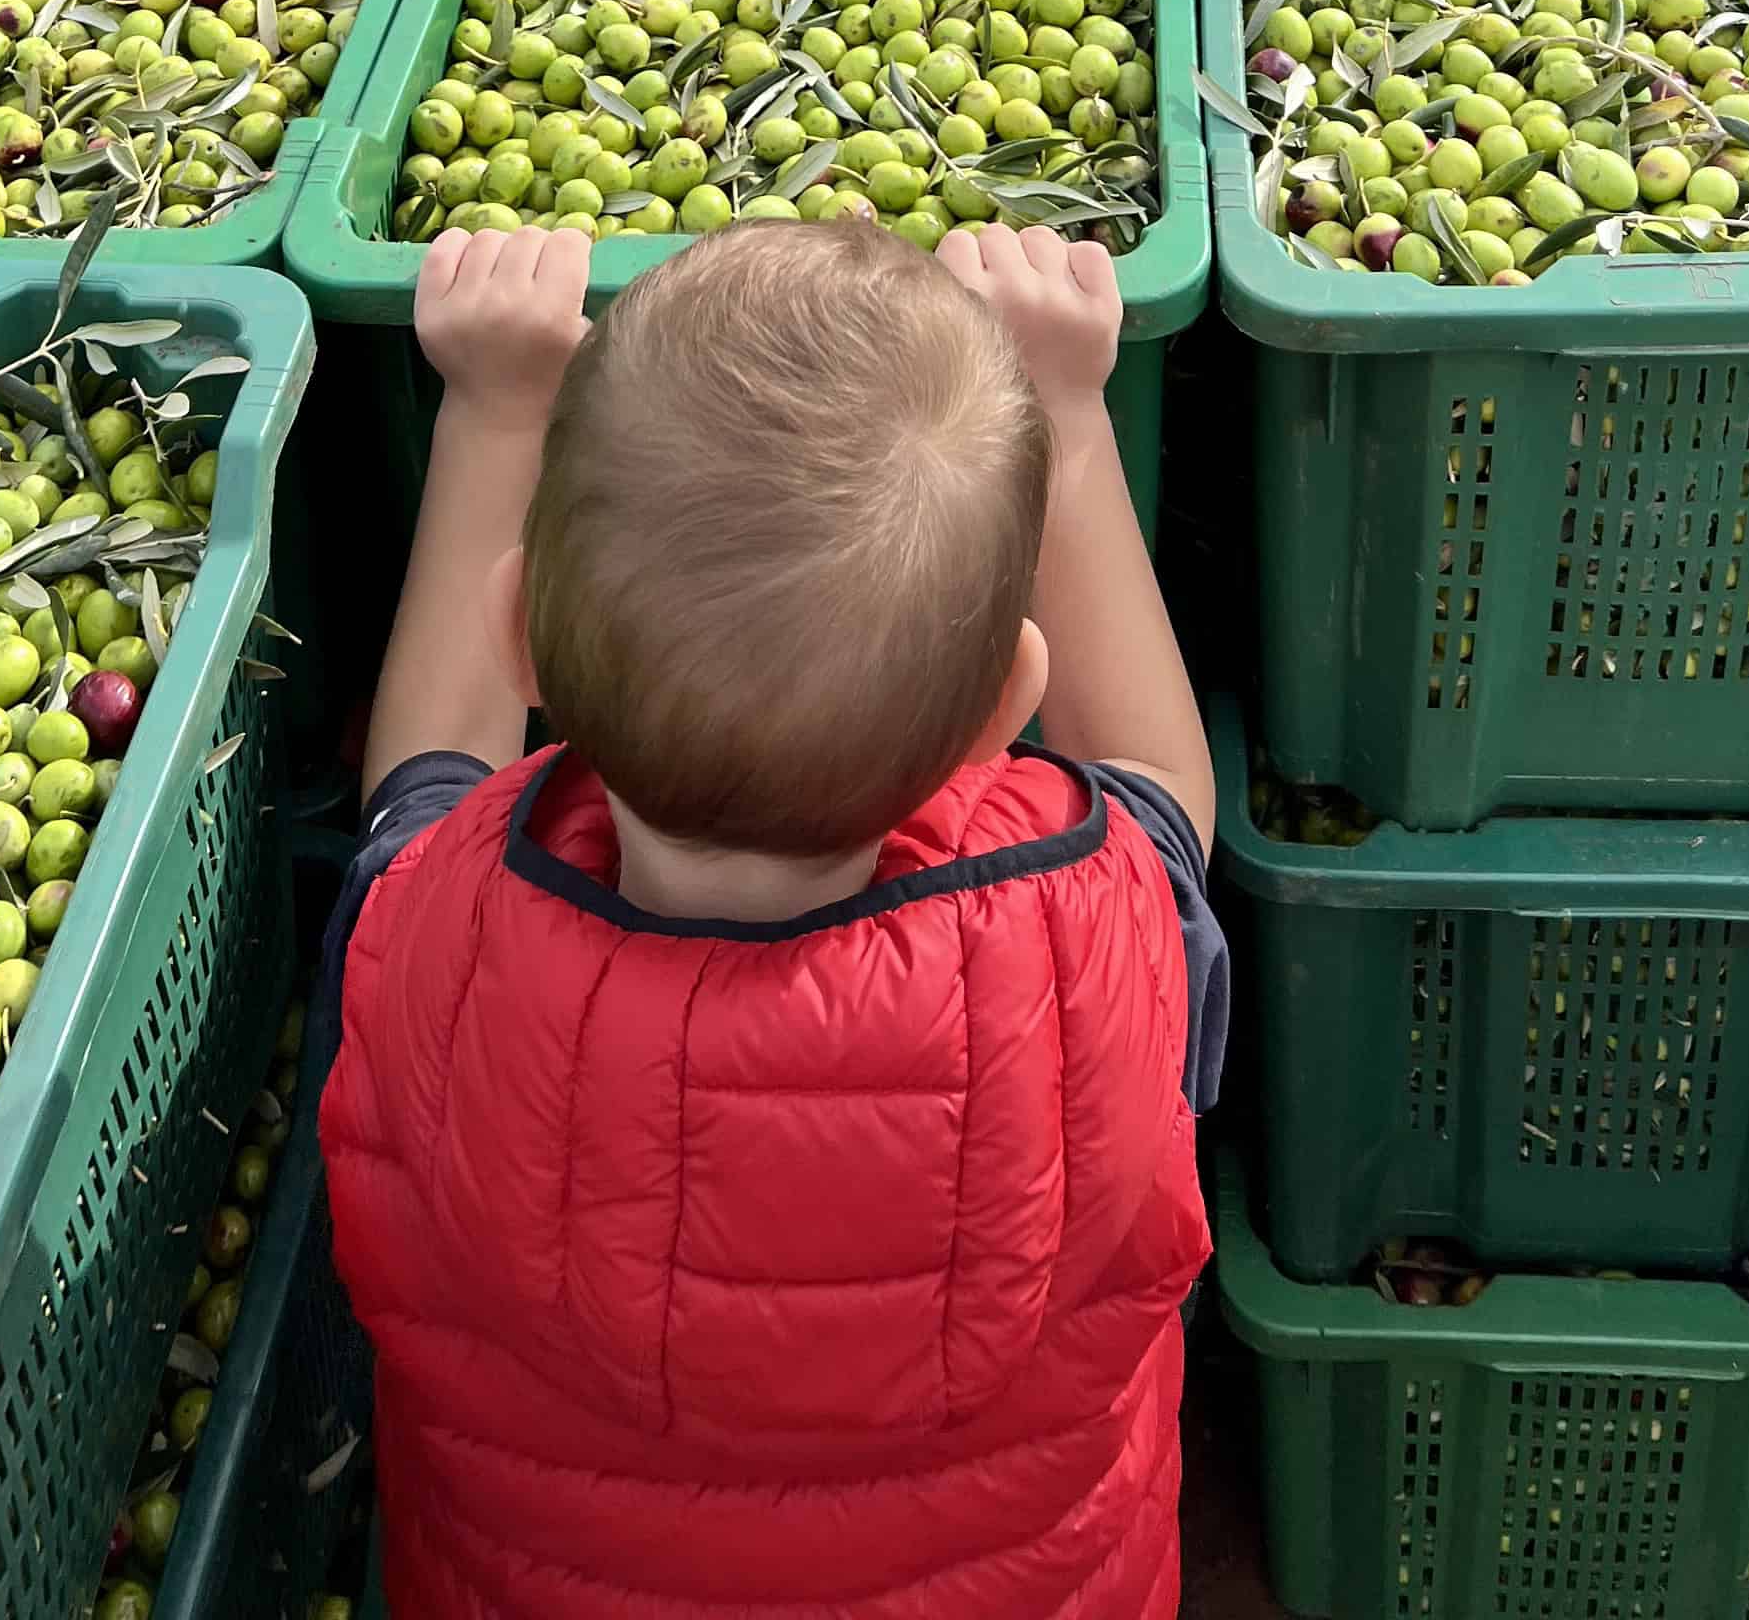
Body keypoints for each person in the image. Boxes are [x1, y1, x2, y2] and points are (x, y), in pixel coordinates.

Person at [321, 212, 1222, 1620]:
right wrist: (1070, 413)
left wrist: (496, 411)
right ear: (1006, 714)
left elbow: (424, 783)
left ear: (524, 646)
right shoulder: (1093, 945)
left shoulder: (431, 950)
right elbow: (1161, 784)